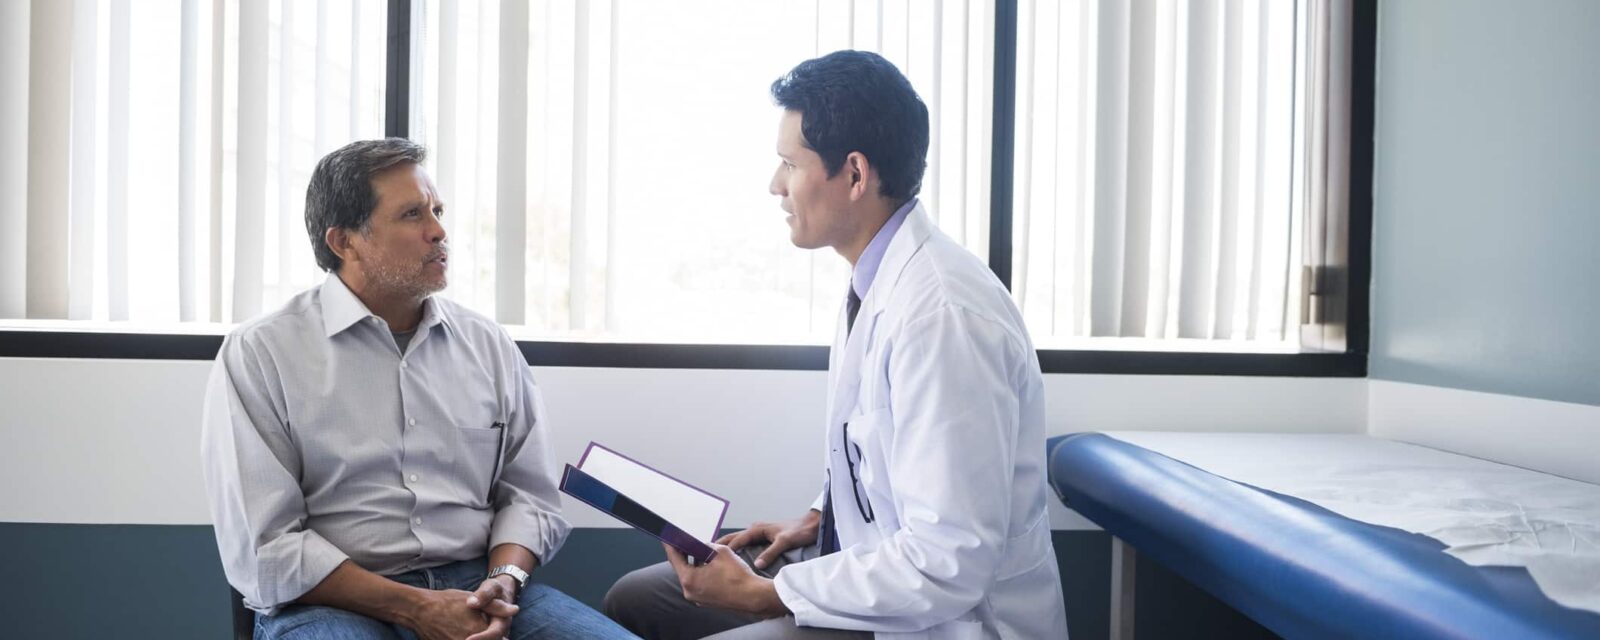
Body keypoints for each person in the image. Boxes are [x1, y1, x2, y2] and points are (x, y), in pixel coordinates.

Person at [604, 51, 1069, 639]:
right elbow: (881, 443)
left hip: (950, 620)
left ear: (854, 175)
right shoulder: (876, 279)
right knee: (634, 600)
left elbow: (950, 561)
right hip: (874, 573)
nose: (775, 185)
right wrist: (823, 520)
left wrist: (767, 594)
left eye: (789, 165)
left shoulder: (944, 318)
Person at [200, 138, 636, 640]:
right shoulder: (262, 352)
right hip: (334, 601)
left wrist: (505, 579)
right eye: (412, 215)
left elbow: (531, 498)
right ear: (345, 242)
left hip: (481, 589)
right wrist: (417, 607)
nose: (439, 231)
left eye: (437, 210)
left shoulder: (487, 345)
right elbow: (267, 547)